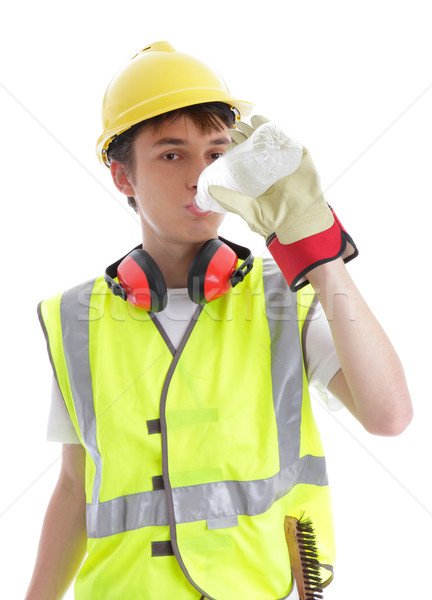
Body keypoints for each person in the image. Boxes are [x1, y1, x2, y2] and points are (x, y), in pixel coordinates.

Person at [25, 41, 413, 600]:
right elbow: (73, 484)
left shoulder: (286, 300)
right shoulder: (73, 318)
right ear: (122, 177)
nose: (200, 178)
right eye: (171, 154)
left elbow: (390, 415)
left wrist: (315, 248)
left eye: (215, 154)